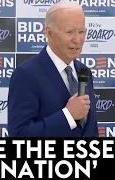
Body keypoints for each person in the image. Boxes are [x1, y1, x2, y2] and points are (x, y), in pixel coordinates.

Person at [7, 2, 98, 137]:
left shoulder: (84, 72)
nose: (77, 40)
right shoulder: (26, 74)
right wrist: (68, 116)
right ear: (49, 34)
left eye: (81, 32)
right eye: (70, 32)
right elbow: (19, 134)